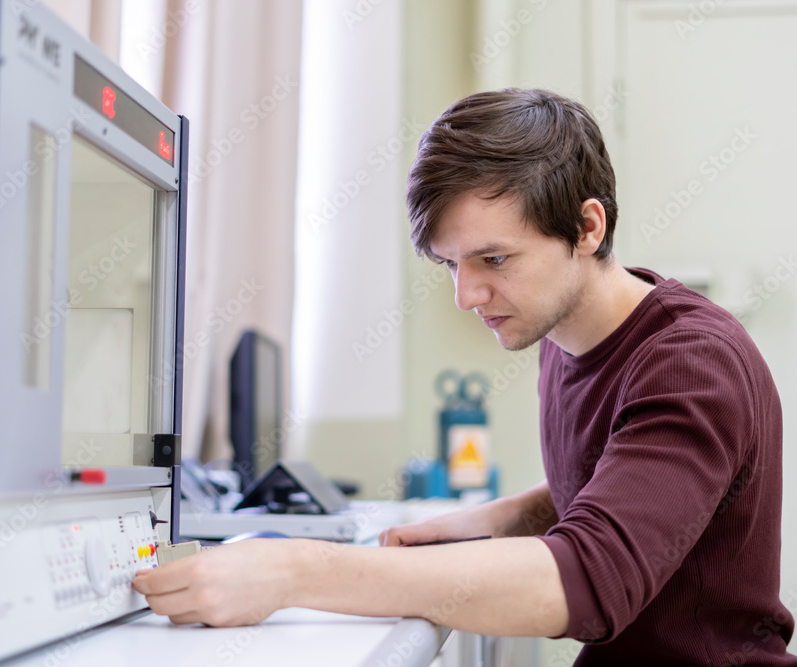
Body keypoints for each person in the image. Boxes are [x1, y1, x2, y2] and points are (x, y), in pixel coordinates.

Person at [133, 88, 797, 664]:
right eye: (451, 264)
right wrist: (491, 519)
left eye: (494, 258)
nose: (468, 294)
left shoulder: (690, 364)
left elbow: (590, 579)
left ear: (588, 227)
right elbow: (617, 475)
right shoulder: (566, 331)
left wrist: (293, 569)